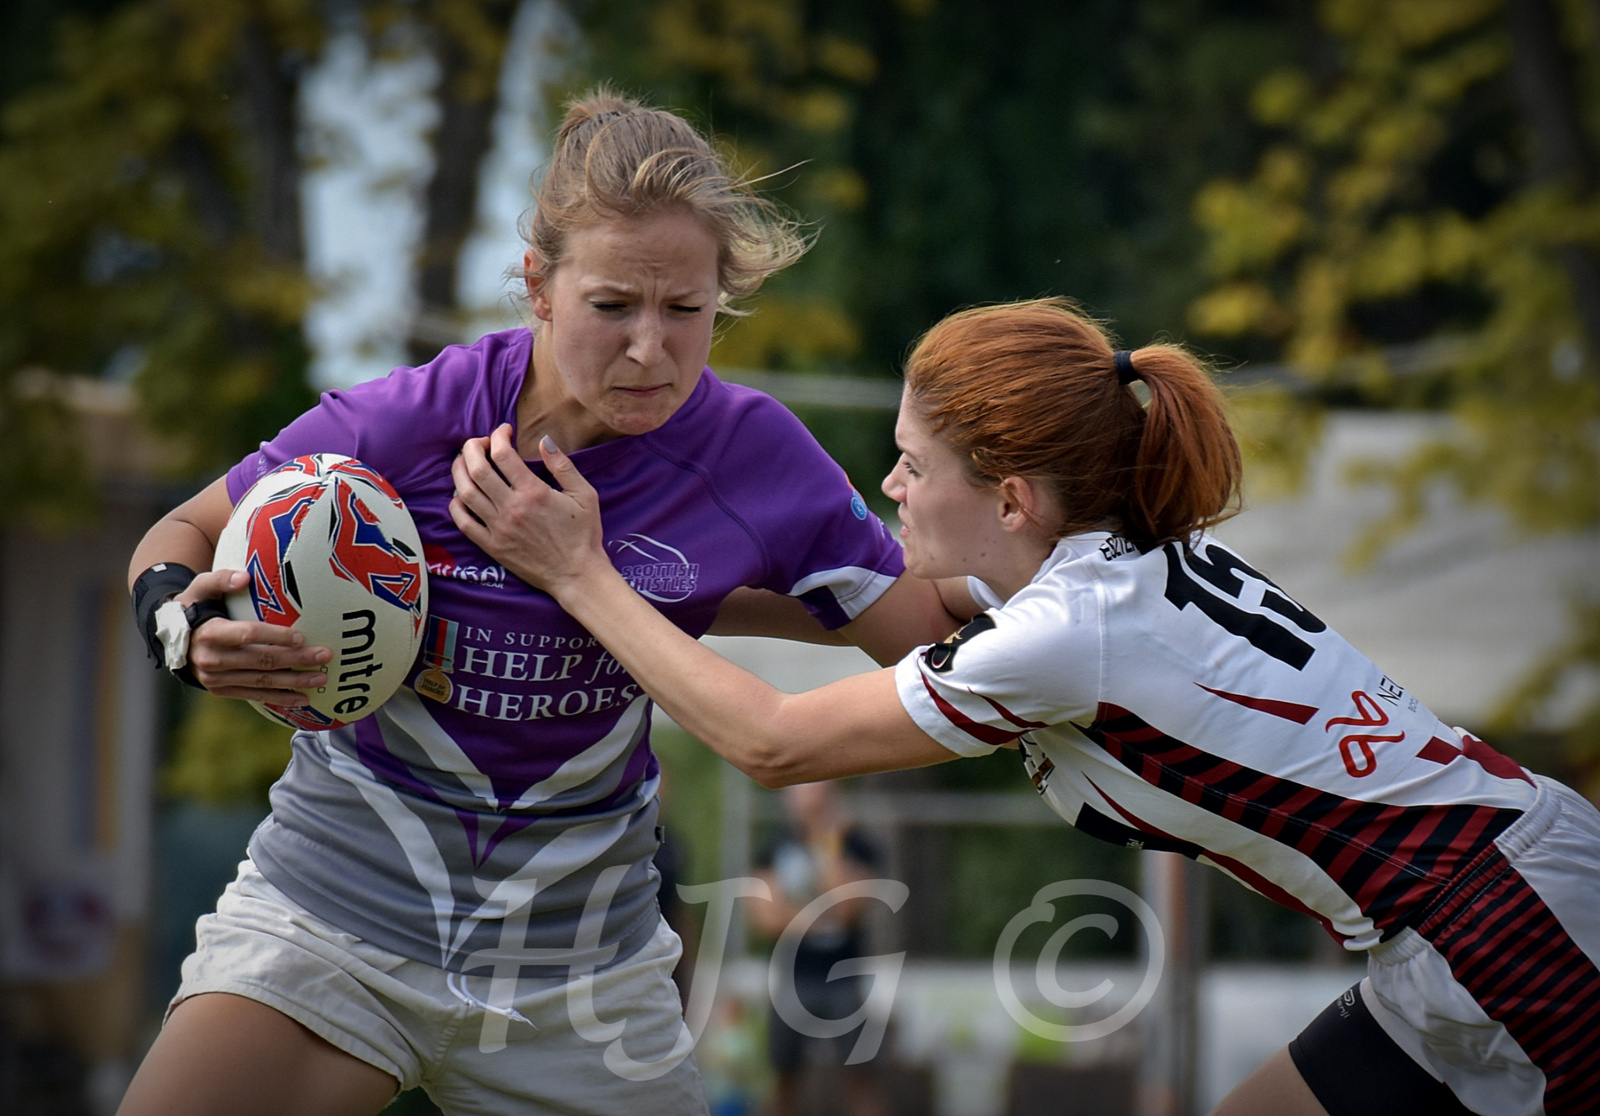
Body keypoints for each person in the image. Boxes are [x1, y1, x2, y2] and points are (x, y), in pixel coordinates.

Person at [457, 297, 1600, 1116]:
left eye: (911, 463)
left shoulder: (1063, 633)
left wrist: (582, 577)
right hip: (1468, 919)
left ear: (1007, 498)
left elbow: (770, 741)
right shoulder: (1092, 566)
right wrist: (641, 584)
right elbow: (883, 603)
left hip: (1515, 928)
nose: (890, 484)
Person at [119, 90, 963, 1116]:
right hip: (331, 919)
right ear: (539, 288)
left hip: (580, 977)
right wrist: (185, 627)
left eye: (684, 311)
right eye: (613, 306)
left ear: (719, 302)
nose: (651, 349)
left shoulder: (759, 461)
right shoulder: (413, 423)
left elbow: (930, 647)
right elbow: (180, 534)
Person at [751, 782, 886, 1116]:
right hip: (792, 978)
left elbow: (848, 908)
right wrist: (818, 914)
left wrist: (830, 842)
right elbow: (766, 919)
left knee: (860, 1076)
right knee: (784, 1079)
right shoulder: (772, 846)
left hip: (846, 976)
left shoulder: (856, 844)